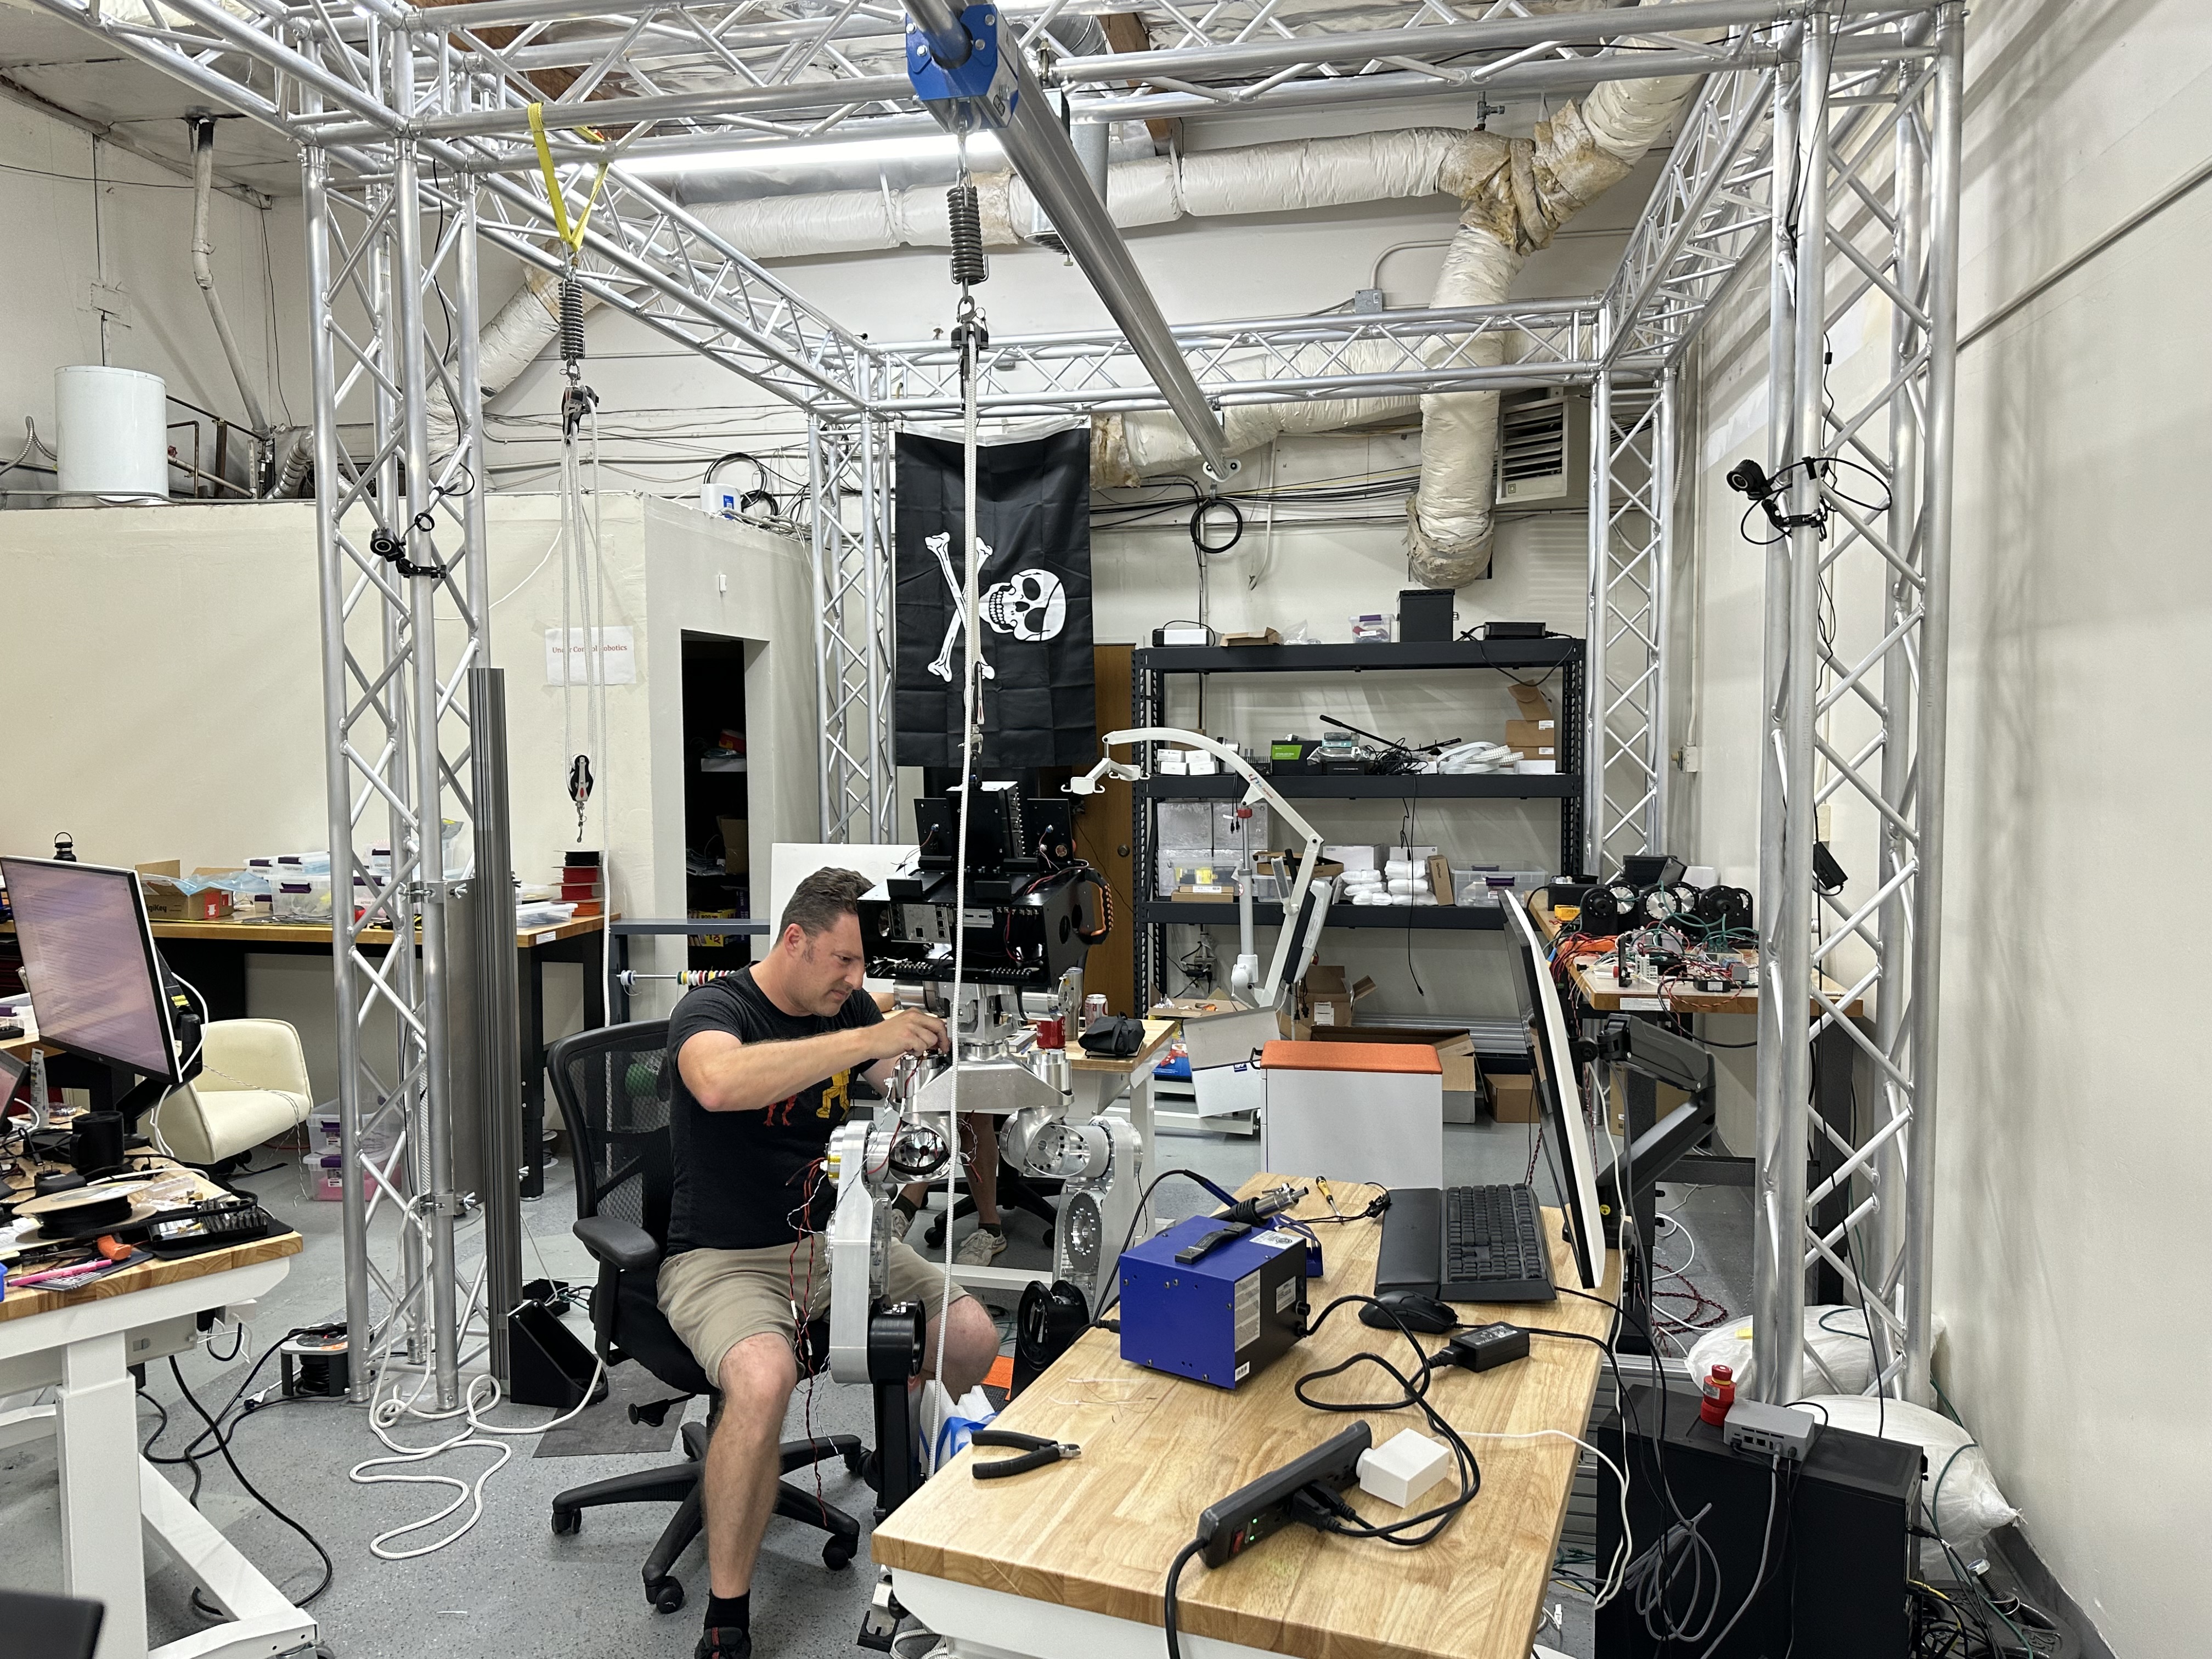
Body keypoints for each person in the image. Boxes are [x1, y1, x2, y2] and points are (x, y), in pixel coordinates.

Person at [658, 868, 1000, 1659]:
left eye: (862, 966)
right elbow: (717, 1084)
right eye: (844, 961)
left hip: (833, 1243)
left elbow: (890, 1075)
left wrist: (942, 1055)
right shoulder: (715, 1008)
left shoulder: (840, 1004)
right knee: (763, 1378)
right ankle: (727, 1616)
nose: (857, 979)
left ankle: (898, 1471)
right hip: (724, 1257)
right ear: (795, 940)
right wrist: (869, 1033)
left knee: (972, 1336)